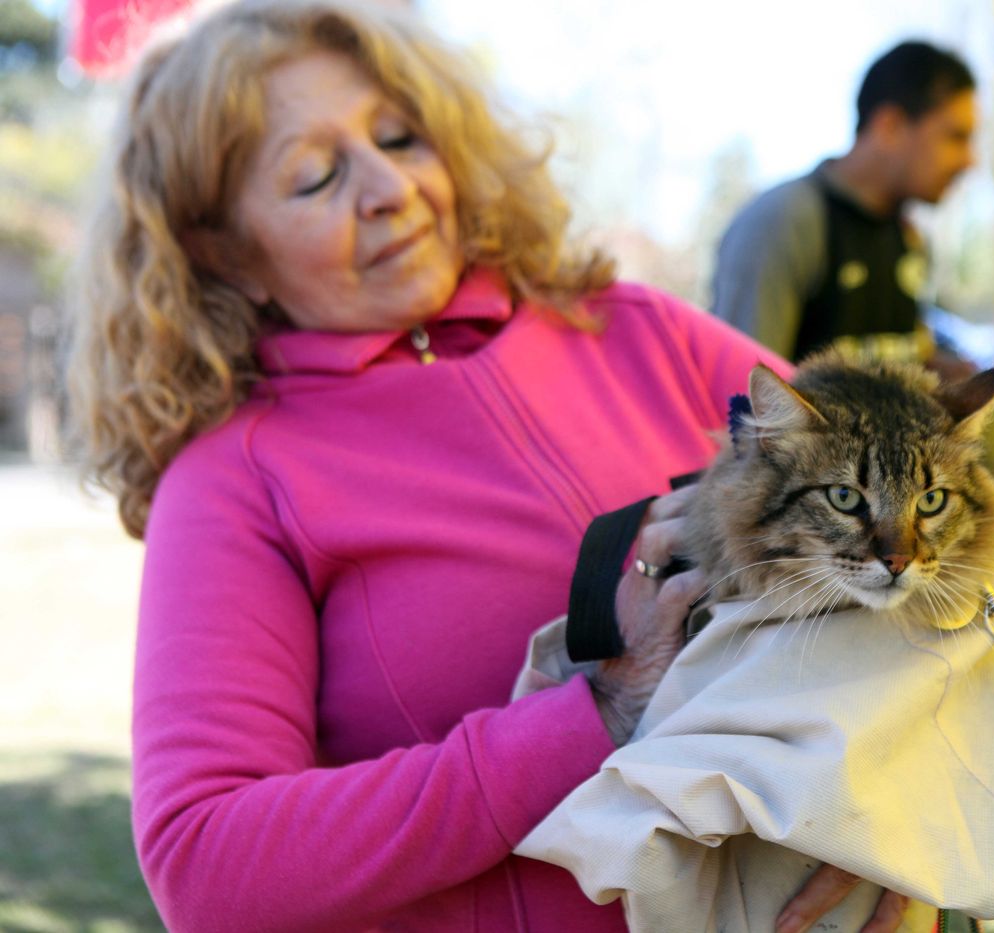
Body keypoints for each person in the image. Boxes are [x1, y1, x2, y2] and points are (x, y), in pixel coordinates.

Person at [66, 1, 913, 930]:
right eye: (314, 177)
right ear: (225, 253)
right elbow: (206, 862)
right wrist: (593, 711)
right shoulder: (236, 476)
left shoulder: (639, 328)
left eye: (401, 136)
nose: (388, 186)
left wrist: (908, 814)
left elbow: (947, 552)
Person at [711, 40, 978, 369]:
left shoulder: (908, 236)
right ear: (890, 127)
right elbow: (742, 395)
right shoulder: (785, 222)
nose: (970, 161)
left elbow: (898, 357)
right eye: (955, 137)